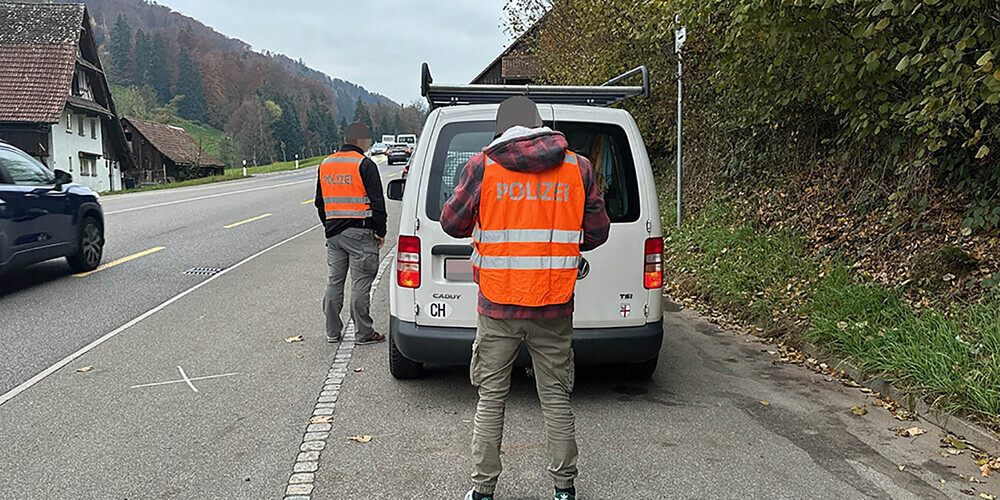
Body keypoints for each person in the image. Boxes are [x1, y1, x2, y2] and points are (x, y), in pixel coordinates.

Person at [441, 97, 610, 500]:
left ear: (502, 130)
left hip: (498, 305)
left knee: (491, 397)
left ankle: (482, 492)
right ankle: (564, 489)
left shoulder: (483, 165)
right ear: (540, 126)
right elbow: (598, 232)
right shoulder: (578, 167)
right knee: (555, 396)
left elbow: (451, 223)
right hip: (554, 304)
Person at [315, 121, 387, 345]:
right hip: (360, 232)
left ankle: (332, 332)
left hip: (334, 234)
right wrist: (380, 231)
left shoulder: (325, 164)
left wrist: (329, 226)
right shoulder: (364, 164)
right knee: (361, 282)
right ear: (361, 141)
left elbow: (320, 203)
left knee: (334, 282)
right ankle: (363, 333)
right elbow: (377, 202)